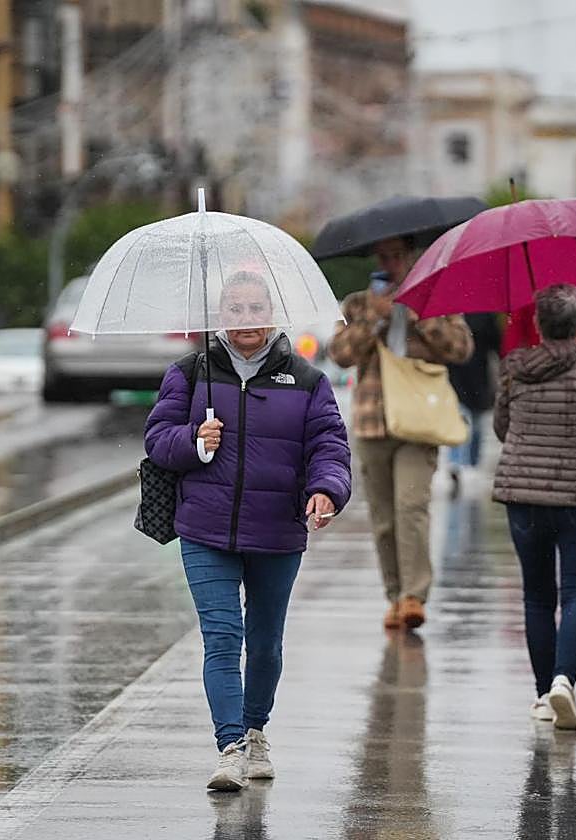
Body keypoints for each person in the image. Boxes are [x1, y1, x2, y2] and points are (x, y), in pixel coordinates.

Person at [145, 271, 351, 792]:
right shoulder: (190, 374)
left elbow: (330, 445)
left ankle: (257, 730)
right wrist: (193, 438)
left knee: (264, 645)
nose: (246, 319)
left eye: (255, 307)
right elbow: (157, 439)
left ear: (273, 313)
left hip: (277, 530)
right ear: (219, 318)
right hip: (204, 528)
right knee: (222, 637)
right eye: (234, 309)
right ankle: (230, 746)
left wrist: (327, 489)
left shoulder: (306, 380)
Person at [492, 284, 576, 731]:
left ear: (539, 324)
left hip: (523, 495)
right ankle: (564, 681)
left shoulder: (514, 368)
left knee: (536, 596)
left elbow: (501, 428)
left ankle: (542, 695)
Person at [329, 235, 473, 632]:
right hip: (374, 419)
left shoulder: (435, 296)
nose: (390, 263)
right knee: (383, 517)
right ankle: (394, 596)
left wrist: (417, 315)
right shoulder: (358, 304)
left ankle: (414, 595)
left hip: (419, 419)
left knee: (411, 506)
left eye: (397, 256)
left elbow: (460, 348)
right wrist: (373, 318)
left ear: (412, 258)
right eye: (383, 256)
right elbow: (340, 354)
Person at [446, 311, 502, 493]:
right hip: (470, 377)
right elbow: (497, 343)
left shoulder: (450, 313)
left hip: (466, 377)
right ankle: (465, 464)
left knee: (465, 421)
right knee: (466, 421)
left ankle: (461, 463)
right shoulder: (483, 315)